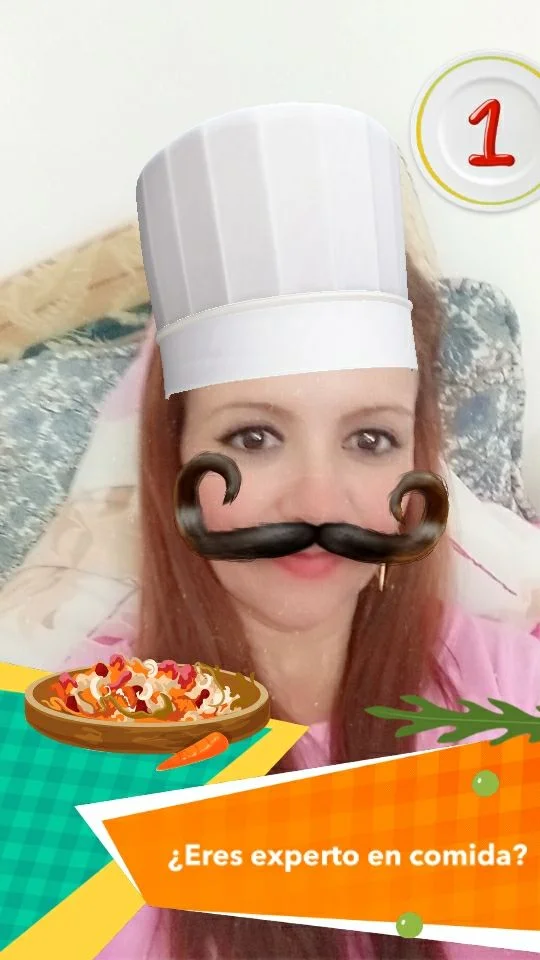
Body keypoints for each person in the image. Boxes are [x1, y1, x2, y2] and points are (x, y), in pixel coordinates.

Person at [93, 104, 540, 960]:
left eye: (369, 439)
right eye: (254, 437)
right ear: (169, 457)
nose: (319, 500)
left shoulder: (510, 692)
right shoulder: (71, 752)